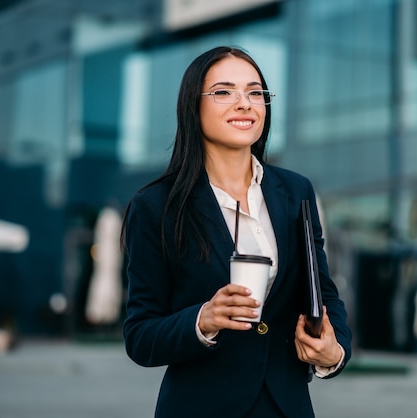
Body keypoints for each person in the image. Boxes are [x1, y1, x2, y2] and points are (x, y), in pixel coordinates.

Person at [122, 46, 352, 418]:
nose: (244, 103)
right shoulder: (155, 206)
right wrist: (203, 319)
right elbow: (140, 335)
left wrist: (334, 351)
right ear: (193, 107)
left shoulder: (296, 192)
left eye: (255, 92)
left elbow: (324, 294)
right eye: (224, 92)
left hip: (286, 407)